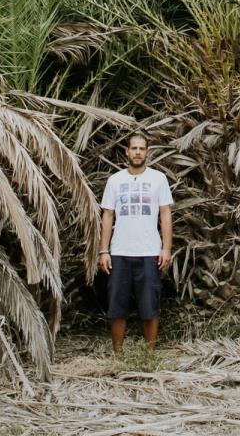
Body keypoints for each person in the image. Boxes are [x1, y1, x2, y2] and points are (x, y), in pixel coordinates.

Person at [98, 132, 173, 354]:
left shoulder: (158, 179)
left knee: (150, 305)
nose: (138, 152)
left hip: (149, 252)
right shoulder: (115, 180)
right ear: (127, 151)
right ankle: (118, 354)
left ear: (147, 152)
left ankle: (149, 355)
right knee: (116, 305)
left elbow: (165, 214)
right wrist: (104, 250)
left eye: (142, 149)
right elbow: (108, 216)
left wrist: (166, 249)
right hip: (120, 252)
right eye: (134, 148)